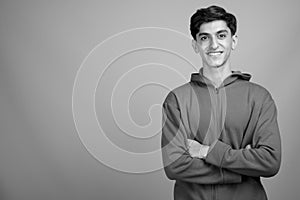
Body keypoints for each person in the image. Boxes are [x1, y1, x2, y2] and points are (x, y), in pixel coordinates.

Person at [161, 5, 281, 200]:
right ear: (195, 45)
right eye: (204, 38)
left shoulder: (259, 97)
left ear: (233, 41)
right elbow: (174, 166)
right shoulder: (177, 99)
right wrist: (241, 169)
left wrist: (205, 152)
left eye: (221, 35)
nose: (213, 45)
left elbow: (270, 161)